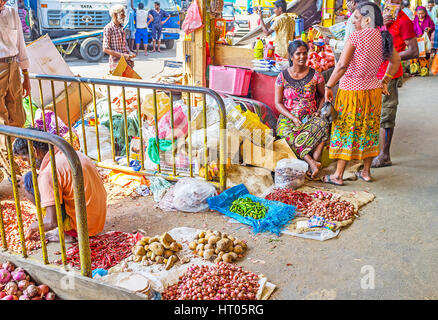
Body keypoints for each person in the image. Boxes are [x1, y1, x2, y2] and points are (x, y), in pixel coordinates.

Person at [322, 2, 401, 186]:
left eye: (357, 18)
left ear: (367, 19)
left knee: (346, 131)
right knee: (369, 130)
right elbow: (395, 61)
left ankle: (338, 175)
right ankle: (366, 172)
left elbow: (341, 66)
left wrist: (328, 85)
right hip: (373, 91)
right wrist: (385, 81)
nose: (354, 21)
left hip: (351, 91)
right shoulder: (383, 38)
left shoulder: (356, 37)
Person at [13, 128, 107, 243]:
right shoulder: (70, 153)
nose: (28, 164)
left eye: (26, 159)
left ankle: (66, 233)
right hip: (97, 221)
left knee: (27, 182)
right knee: (29, 178)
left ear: (34, 151)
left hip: (83, 229)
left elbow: (51, 222)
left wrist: (33, 227)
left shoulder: (48, 173)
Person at [372, 0, 419, 168]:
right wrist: (381, 25)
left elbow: (414, 51)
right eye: (388, 1)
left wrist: (393, 57)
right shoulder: (379, 20)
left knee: (386, 112)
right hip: (373, 72)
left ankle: (385, 155)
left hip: (389, 74)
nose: (391, 4)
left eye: (395, 2)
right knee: (373, 112)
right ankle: (372, 151)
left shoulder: (405, 21)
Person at [275, 40, 330, 179]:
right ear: (291, 56)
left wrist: (318, 111)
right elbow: (278, 103)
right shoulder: (282, 77)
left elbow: (323, 96)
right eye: (298, 54)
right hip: (289, 117)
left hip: (310, 117)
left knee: (323, 125)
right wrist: (293, 118)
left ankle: (315, 160)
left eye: (305, 53)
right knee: (285, 133)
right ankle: (312, 162)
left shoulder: (316, 76)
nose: (302, 57)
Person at [0, 0, 30, 179]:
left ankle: (5, 159)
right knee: (2, 122)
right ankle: (11, 169)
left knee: (18, 119)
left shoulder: (12, 13)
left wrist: (26, 75)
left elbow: (21, 44)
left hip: (13, 68)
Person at [103, 5, 136, 74]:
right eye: (122, 14)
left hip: (127, 63)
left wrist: (129, 52)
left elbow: (125, 44)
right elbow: (105, 49)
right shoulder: (109, 28)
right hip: (116, 64)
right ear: (115, 15)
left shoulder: (121, 27)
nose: (124, 16)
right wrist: (123, 55)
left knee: (129, 83)